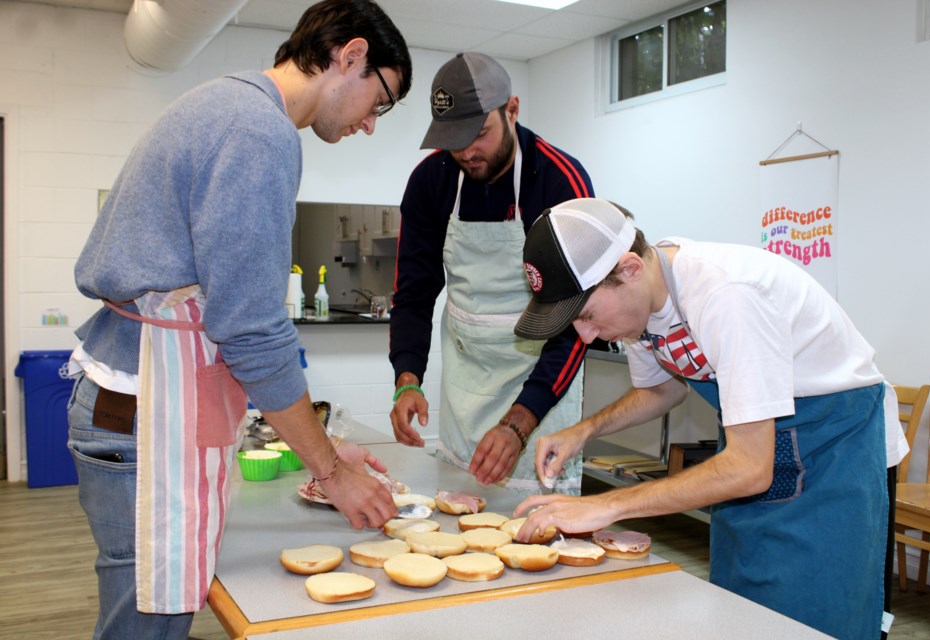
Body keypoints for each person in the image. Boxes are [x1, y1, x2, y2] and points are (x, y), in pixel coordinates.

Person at [66, 1, 412, 637]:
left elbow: (221, 319)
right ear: (352, 55)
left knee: (145, 607)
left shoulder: (226, 104)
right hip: (143, 411)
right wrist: (331, 473)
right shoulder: (259, 131)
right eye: (381, 101)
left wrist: (324, 443)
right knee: (148, 619)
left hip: (130, 395)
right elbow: (251, 331)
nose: (370, 125)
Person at [511, 198, 907, 639]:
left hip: (834, 453)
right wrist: (584, 431)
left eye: (585, 315)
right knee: (740, 606)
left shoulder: (726, 295)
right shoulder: (643, 308)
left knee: (815, 615)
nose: (584, 335)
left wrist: (605, 504)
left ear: (630, 269)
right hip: (757, 446)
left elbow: (749, 468)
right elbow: (661, 389)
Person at [389, 52, 594, 493]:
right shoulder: (432, 181)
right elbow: (413, 294)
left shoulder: (560, 183)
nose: (465, 151)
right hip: (466, 385)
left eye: (479, 133)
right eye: (452, 139)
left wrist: (520, 423)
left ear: (512, 110)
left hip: (541, 386)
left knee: (536, 533)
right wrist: (406, 380)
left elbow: (575, 321)